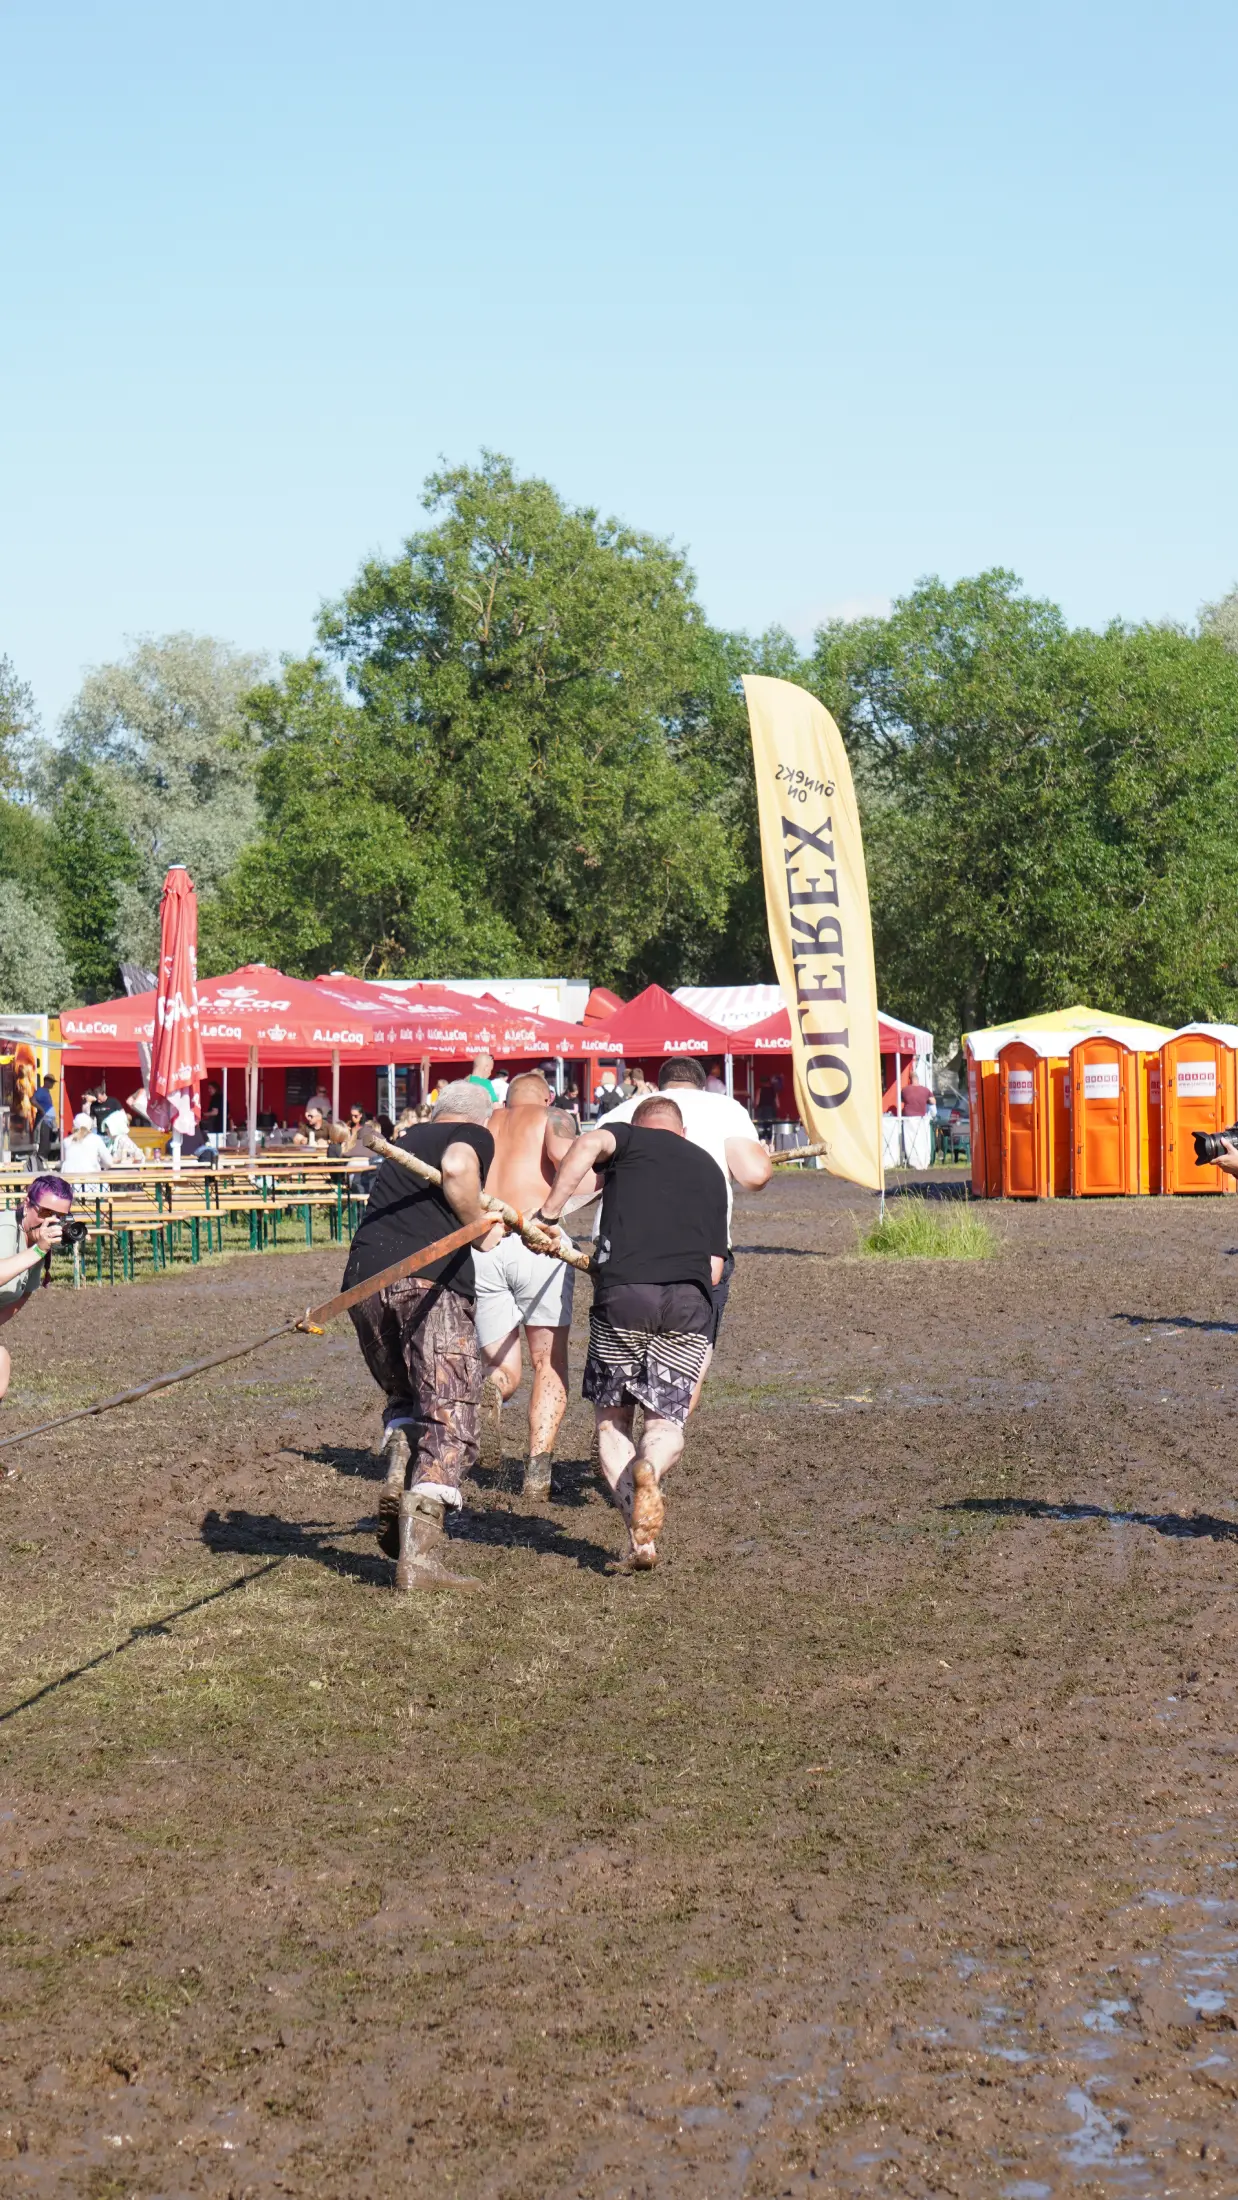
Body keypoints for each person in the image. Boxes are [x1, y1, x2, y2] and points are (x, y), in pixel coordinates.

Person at [533, 1095, 727, 1571]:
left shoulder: (626, 1138)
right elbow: (715, 1268)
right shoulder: (709, 1168)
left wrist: (548, 1216)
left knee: (612, 1423)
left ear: (637, 1125)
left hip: (624, 1295)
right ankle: (652, 1468)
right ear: (681, 1132)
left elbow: (584, 1146)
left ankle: (641, 1544)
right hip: (688, 1301)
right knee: (666, 1423)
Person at [344, 1081, 495, 1592]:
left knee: (408, 1395)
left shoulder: (406, 1140)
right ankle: (420, 1558)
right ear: (481, 1118)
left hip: (363, 1284)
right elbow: (457, 1166)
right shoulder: (470, 1135)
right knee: (451, 1413)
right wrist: (479, 1225)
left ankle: (397, 1479)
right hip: (428, 1283)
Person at [595, 1058, 772, 1370]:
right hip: (697, 1250)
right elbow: (754, 1175)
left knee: (620, 1370)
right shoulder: (725, 1108)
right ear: (701, 1085)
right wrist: (759, 1157)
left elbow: (586, 1185)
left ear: (661, 1084)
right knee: (684, 1369)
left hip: (620, 1251)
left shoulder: (621, 1111)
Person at [473, 1072, 592, 1499]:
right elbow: (567, 1160)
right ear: (547, 1096)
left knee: (500, 1366)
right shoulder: (551, 1117)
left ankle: (494, 1391)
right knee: (548, 1361)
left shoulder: (486, 1121)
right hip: (536, 1240)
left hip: (485, 1245)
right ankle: (538, 1469)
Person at [0, 1175, 75, 1408]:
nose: (52, 1222)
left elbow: (24, 1294)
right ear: (27, 1204)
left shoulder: (37, 1242)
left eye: (60, 1217)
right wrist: (38, 1251)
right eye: (45, 1213)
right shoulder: (5, 1228)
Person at [60, 1111, 113, 1189]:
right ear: (90, 1126)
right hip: (92, 1186)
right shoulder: (96, 1139)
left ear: (74, 1125)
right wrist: (98, 1163)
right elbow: (109, 1162)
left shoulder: (66, 1141)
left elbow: (63, 1162)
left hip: (70, 1187)